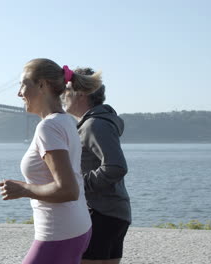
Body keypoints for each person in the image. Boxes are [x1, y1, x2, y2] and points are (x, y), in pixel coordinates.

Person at [0, 58, 102, 264]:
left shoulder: (49, 127)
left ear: (42, 85)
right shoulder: (66, 121)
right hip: (76, 226)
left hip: (58, 232)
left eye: (23, 85)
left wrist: (24, 189)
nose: (19, 93)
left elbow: (68, 190)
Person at [62, 67, 131, 264]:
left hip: (101, 212)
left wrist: (77, 184)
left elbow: (116, 166)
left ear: (81, 94)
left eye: (66, 91)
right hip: (113, 211)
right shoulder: (97, 122)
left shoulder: (94, 125)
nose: (62, 96)